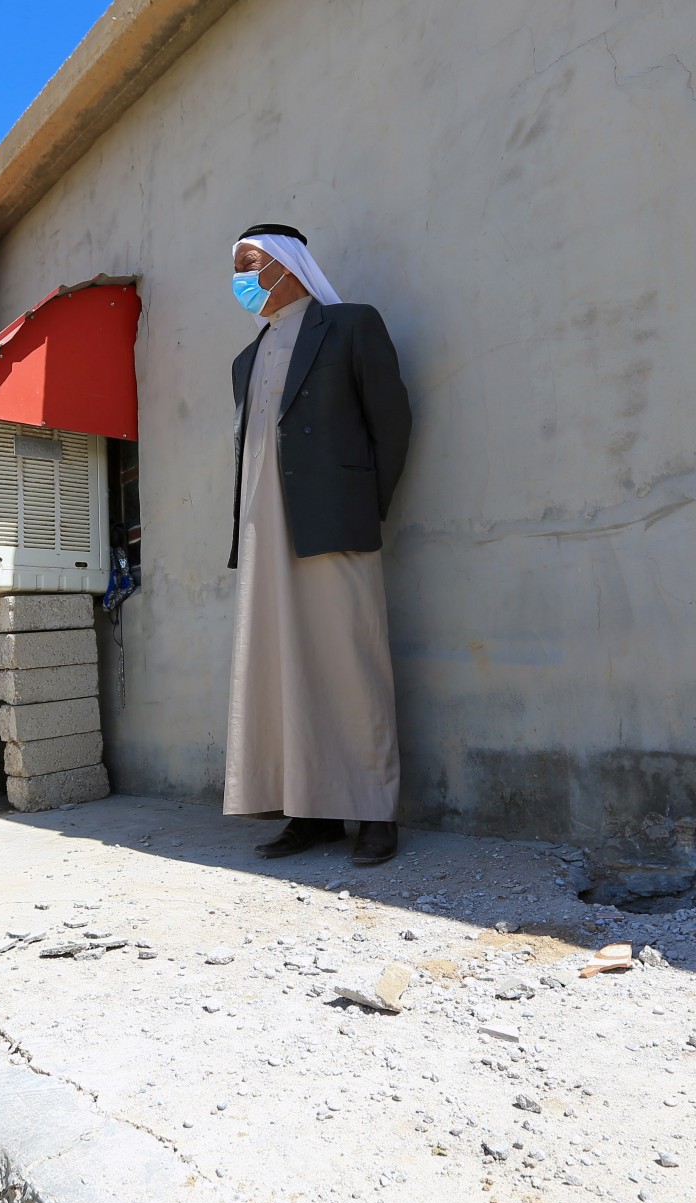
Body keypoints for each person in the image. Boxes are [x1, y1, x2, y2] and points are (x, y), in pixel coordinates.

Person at [222, 224, 412, 866]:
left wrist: (361, 507)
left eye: (251, 265)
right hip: (263, 530)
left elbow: (392, 423)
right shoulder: (244, 361)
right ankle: (311, 811)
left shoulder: (352, 326)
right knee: (280, 668)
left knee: (351, 663)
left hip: (335, 522)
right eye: (238, 269)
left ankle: (375, 812)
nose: (241, 280)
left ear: (286, 264)